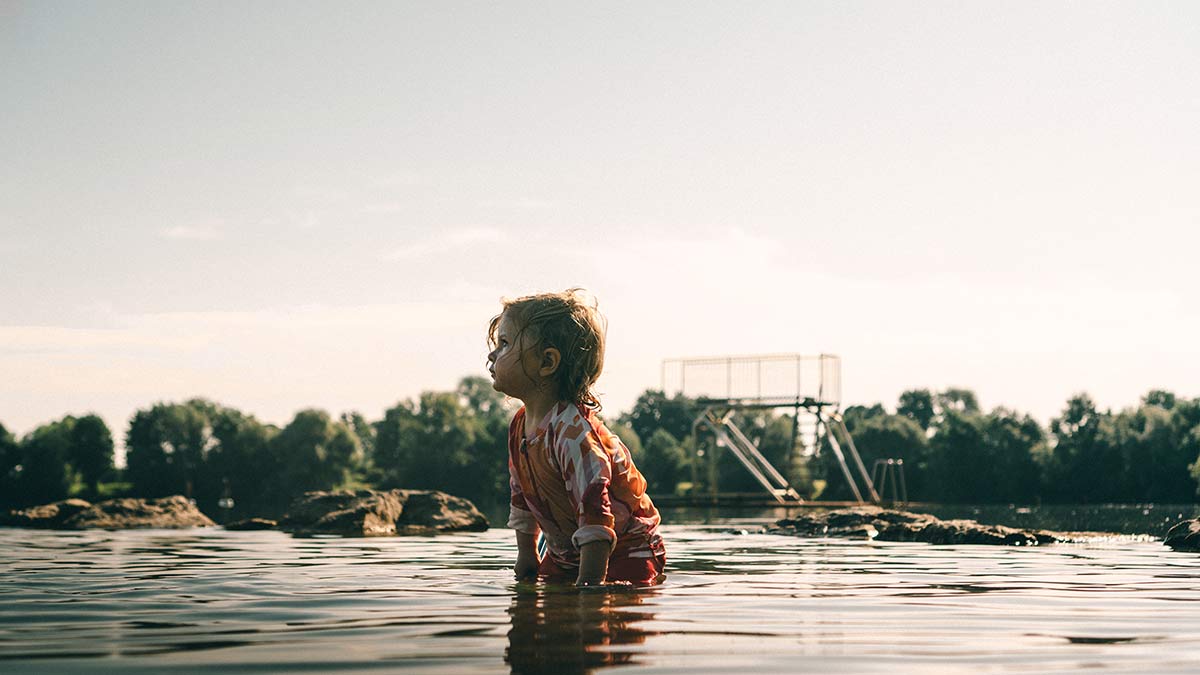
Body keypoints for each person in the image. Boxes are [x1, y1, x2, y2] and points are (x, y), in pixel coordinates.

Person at [486, 289, 666, 587]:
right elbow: (522, 495)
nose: (492, 354)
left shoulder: (573, 435)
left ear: (547, 363)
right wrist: (526, 555)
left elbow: (595, 510)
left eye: (504, 344)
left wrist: (590, 588)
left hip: (627, 553)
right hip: (567, 553)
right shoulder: (520, 425)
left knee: (597, 614)